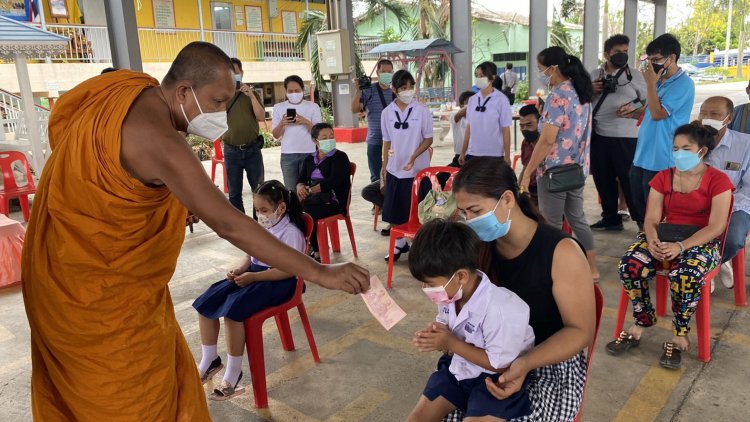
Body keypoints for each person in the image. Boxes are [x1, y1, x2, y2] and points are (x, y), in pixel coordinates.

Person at [21, 41, 369, 420]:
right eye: (219, 102)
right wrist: (319, 271)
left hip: (58, 268)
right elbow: (228, 222)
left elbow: (74, 140)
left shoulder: (126, 88)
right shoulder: (162, 141)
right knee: (128, 399)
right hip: (93, 300)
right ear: (184, 91)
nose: (222, 112)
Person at [446, 157, 595, 422]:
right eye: (464, 213)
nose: (469, 220)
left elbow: (580, 332)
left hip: (547, 362)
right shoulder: (479, 246)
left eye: (475, 211)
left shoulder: (561, 252)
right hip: (489, 354)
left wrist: (525, 364)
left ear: (507, 199)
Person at [607, 123, 732, 369]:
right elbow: (651, 219)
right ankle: (641, 321)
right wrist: (653, 240)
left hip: (700, 241)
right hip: (664, 236)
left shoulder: (719, 180)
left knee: (685, 274)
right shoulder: (663, 177)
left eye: (686, 148)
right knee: (630, 264)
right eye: (675, 148)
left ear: (702, 151)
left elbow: (716, 226)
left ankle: (679, 334)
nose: (679, 153)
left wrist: (681, 247)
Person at [407, 219, 535, 422]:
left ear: (461, 276)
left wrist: (449, 343)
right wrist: (436, 331)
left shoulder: (500, 309)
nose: (426, 289)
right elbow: (445, 320)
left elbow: (499, 364)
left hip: (496, 379)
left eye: (430, 283)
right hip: (460, 366)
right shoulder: (451, 294)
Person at [193, 180, 306, 400]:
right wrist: (241, 268)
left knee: (235, 311)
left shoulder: (291, 233)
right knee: (206, 302)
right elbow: (250, 253)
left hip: (279, 282)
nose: (260, 214)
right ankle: (210, 361)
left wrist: (254, 277)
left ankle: (233, 375)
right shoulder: (263, 226)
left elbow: (289, 270)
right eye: (257, 210)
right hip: (254, 275)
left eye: (264, 210)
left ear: (281, 208)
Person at [520, 46, 600, 280]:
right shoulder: (581, 92)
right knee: (576, 218)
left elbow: (546, 141)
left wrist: (527, 173)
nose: (541, 74)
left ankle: (554, 268)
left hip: (554, 170)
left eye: (541, 69)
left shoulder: (558, 95)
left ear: (553, 68)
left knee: (551, 222)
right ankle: (592, 269)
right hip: (576, 170)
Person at [619, 33, 695, 230]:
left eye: (656, 60)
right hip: (643, 154)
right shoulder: (660, 81)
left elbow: (659, 114)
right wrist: (632, 114)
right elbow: (649, 113)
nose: (651, 64)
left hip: (662, 156)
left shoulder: (684, 84)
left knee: (657, 210)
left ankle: (657, 246)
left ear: (671, 58)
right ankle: (645, 239)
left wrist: (650, 83)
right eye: (649, 59)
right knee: (639, 203)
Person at [589, 34, 646, 231]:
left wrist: (632, 106)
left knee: (629, 180)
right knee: (602, 179)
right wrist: (590, 90)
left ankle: (641, 222)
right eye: (617, 52)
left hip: (627, 136)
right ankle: (610, 218)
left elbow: (646, 100)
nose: (622, 56)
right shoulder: (594, 75)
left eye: (625, 52)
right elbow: (582, 101)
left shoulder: (636, 75)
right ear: (606, 54)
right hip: (599, 135)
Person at [381, 69, 433, 261]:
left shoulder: (422, 111)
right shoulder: (387, 113)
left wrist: (414, 157)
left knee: (418, 211)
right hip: (395, 168)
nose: (408, 91)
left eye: (411, 86)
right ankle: (398, 244)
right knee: (396, 209)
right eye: (403, 87)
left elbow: (428, 139)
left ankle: (419, 247)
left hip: (418, 170)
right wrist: (384, 168)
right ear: (394, 89)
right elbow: (387, 142)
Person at [700, 97, 750, 290]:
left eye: (715, 114)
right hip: (698, 202)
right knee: (676, 232)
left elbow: (748, 188)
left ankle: (713, 264)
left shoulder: (745, 144)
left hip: (736, 203)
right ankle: (712, 262)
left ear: (728, 118)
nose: (707, 118)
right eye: (703, 113)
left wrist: (724, 204)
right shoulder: (693, 141)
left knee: (732, 239)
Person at [297, 123, 352, 261]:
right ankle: (310, 246)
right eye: (324, 137)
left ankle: (317, 251)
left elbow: (333, 182)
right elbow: (301, 179)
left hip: (334, 201)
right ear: (315, 140)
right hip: (314, 199)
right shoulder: (309, 159)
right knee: (295, 207)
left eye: (331, 136)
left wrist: (310, 190)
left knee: (306, 212)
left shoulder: (340, 157)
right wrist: (300, 187)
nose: (329, 139)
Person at [223, 57, 267, 212]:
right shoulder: (222, 96)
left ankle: (259, 223)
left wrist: (251, 95)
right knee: (234, 194)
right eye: (229, 73)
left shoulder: (252, 94)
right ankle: (242, 229)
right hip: (231, 150)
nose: (234, 75)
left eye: (236, 72)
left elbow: (261, 116)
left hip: (252, 149)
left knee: (260, 191)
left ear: (241, 72)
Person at [272, 75, 322, 189]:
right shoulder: (278, 107)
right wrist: (282, 123)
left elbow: (318, 133)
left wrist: (305, 121)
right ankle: (295, 208)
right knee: (291, 191)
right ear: (286, 91)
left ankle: (307, 208)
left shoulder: (313, 107)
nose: (294, 93)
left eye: (297, 90)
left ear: (302, 90)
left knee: (309, 190)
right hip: (288, 155)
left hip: (309, 153)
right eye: (290, 91)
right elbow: (275, 135)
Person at [459, 61, 513, 166]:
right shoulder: (473, 100)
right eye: (476, 75)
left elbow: (506, 129)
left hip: (494, 155)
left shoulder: (501, 100)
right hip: (473, 153)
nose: (478, 78)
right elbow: (469, 128)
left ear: (492, 78)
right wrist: (463, 152)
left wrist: (507, 155)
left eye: (482, 75)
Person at [353, 59, 395, 183]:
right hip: (375, 141)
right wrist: (358, 90)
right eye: (383, 71)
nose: (387, 74)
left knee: (393, 174)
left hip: (394, 141)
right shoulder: (369, 90)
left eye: (390, 72)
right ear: (377, 73)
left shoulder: (397, 91)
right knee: (376, 177)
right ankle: (377, 202)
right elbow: (355, 109)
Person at [517, 104, 541, 208]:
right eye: (522, 126)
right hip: (529, 189)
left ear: (540, 122)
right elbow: (525, 167)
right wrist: (519, 189)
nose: (525, 129)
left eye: (529, 125)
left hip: (545, 190)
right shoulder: (525, 143)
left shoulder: (547, 143)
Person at [448, 91, 475, 167]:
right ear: (461, 105)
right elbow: (460, 114)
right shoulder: (455, 116)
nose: (472, 104)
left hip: (475, 157)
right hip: (459, 157)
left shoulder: (478, 117)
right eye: (468, 102)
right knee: (440, 177)